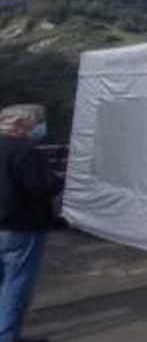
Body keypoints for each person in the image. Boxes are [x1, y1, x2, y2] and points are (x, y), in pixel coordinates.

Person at [0, 104, 62, 342]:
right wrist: (55, 180)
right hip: (20, 227)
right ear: (19, 124)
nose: (39, 127)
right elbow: (41, 187)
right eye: (36, 122)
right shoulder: (26, 152)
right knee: (16, 286)